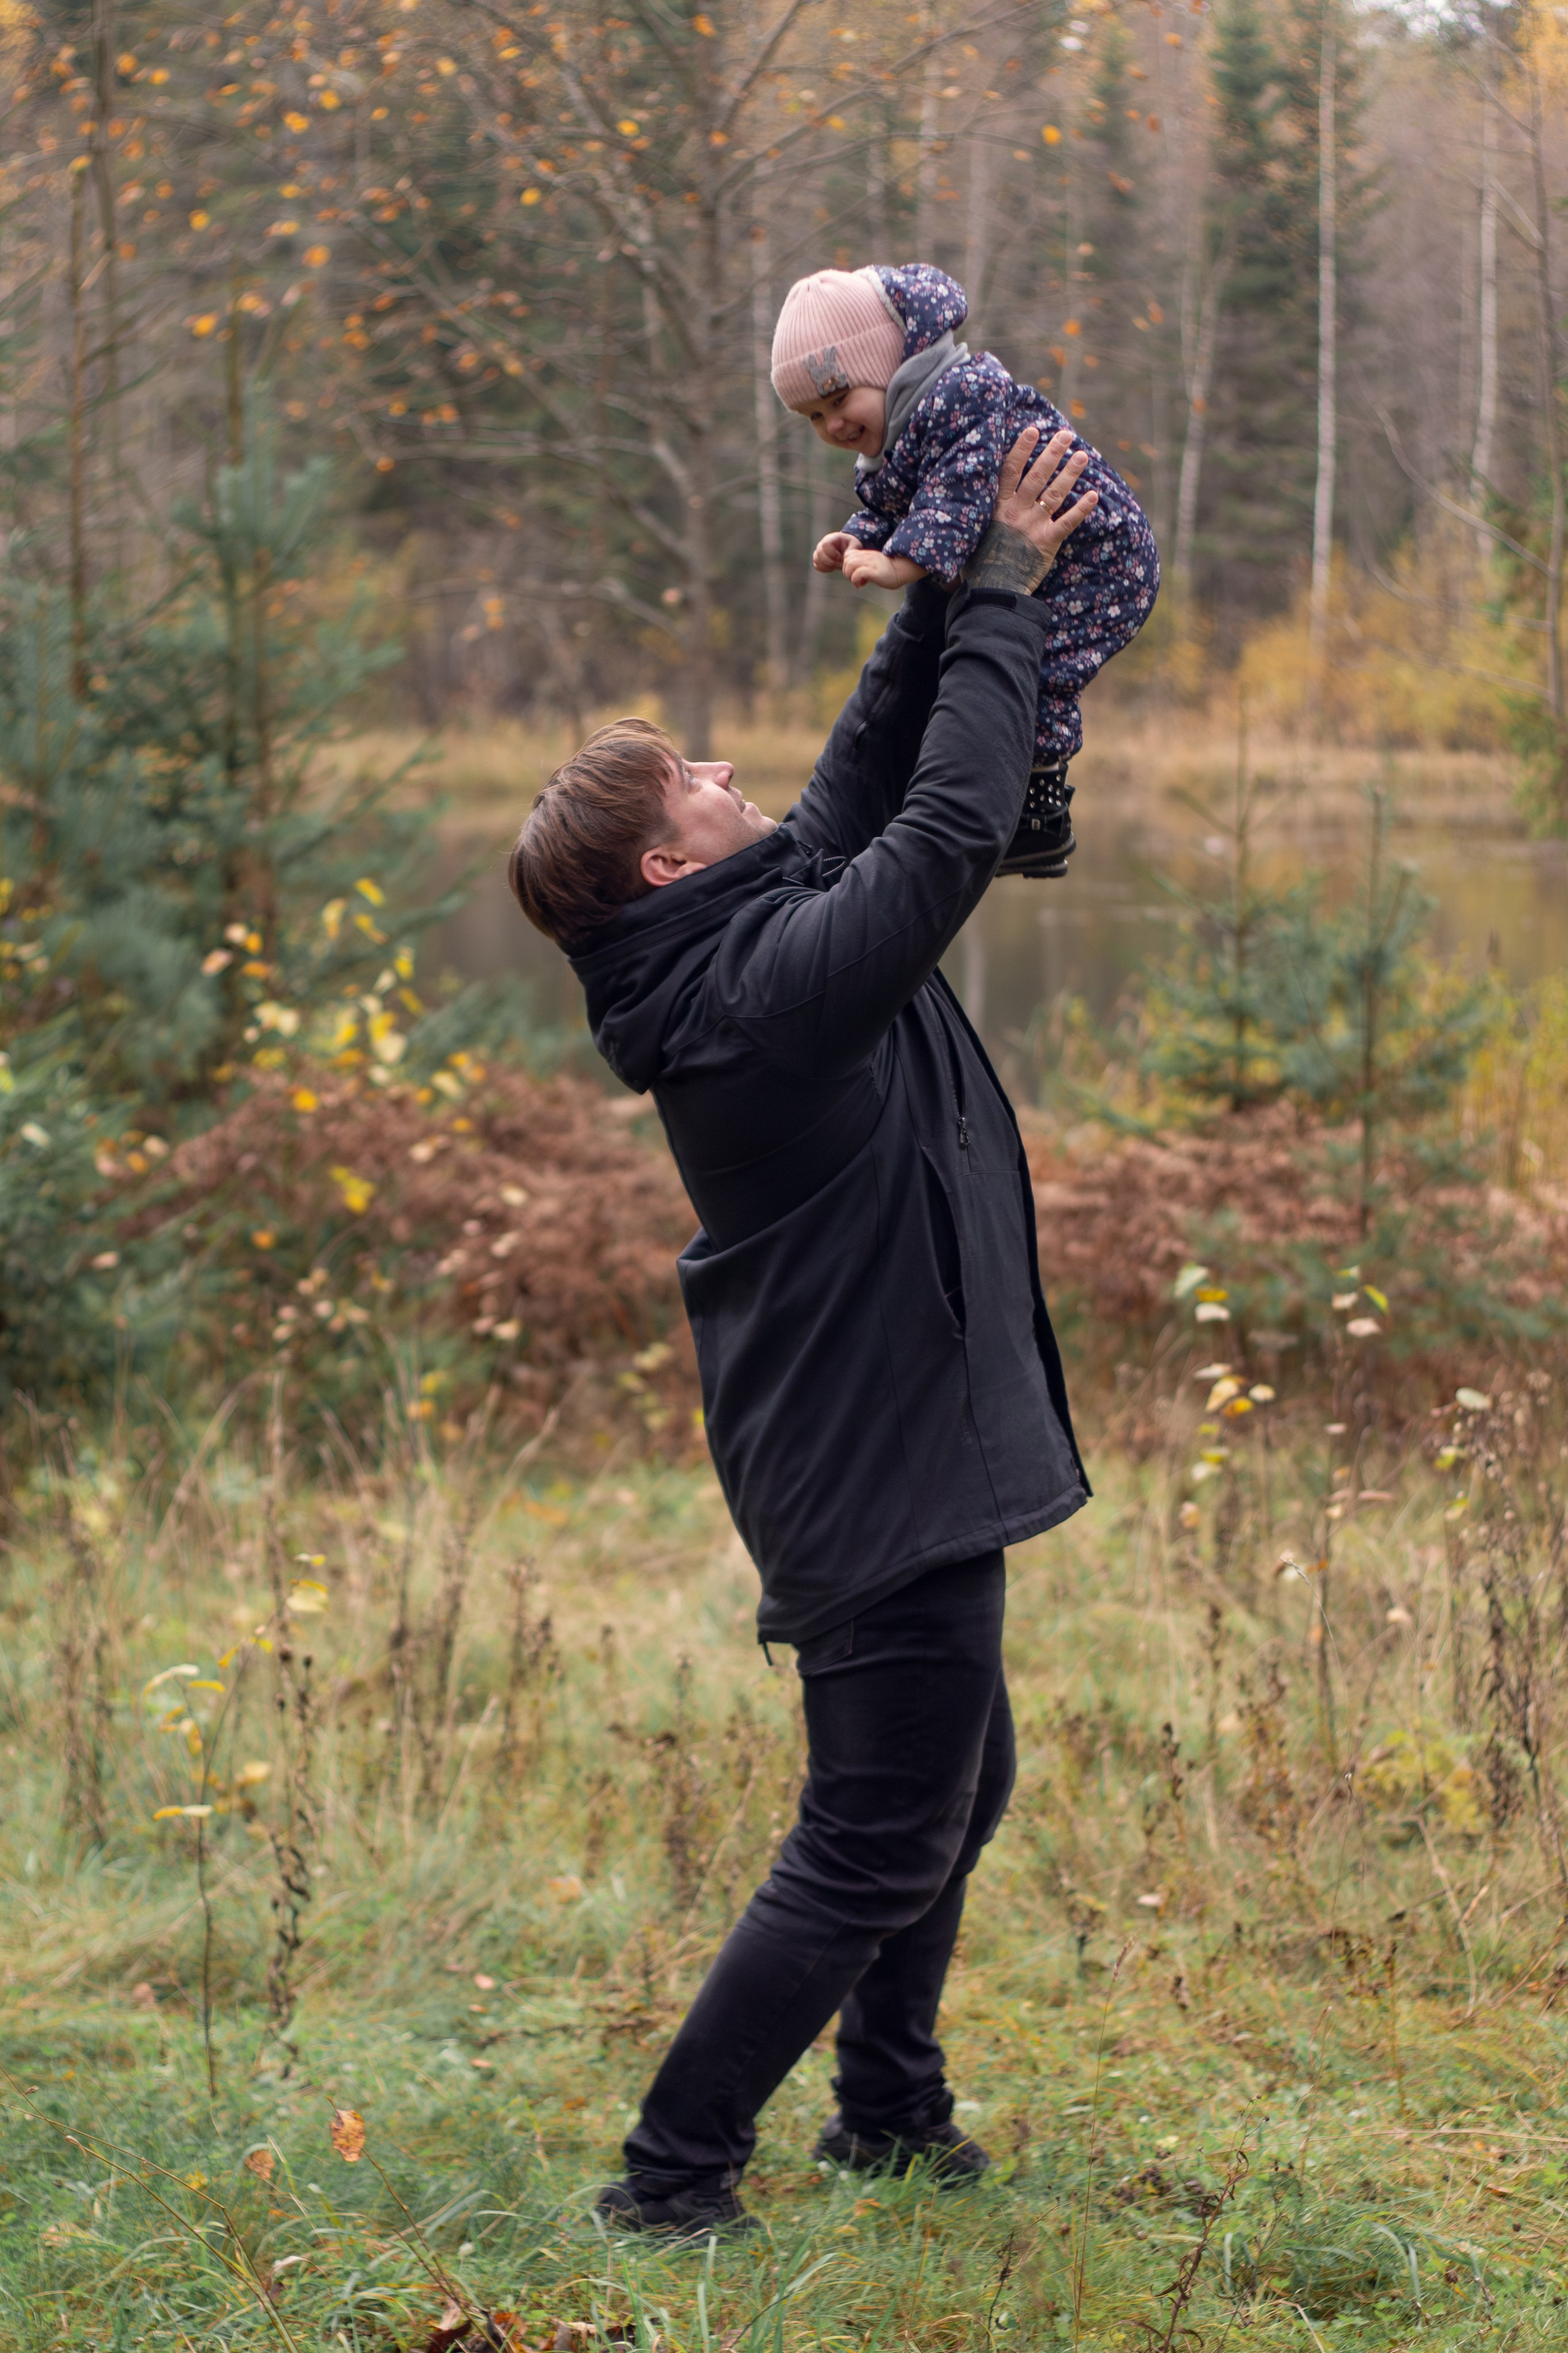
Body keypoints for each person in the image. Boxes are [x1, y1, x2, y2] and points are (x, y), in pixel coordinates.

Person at [508, 429, 1095, 2241]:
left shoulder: (730, 937)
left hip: (883, 1436)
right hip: (876, 1465)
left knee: (947, 1784)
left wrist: (928, 603)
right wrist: (998, 596)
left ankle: (887, 2111)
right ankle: (672, 2173)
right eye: (691, 780)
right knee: (871, 1829)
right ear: (666, 872)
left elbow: (855, 780)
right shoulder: (756, 999)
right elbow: (939, 828)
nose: (721, 768)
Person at [771, 262, 1159, 880]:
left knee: (1036, 675)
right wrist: (854, 538)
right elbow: (902, 503)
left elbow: (957, 494)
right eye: (814, 417)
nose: (833, 426)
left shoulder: (961, 395)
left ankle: (1039, 819)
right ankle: (1016, 815)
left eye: (839, 399)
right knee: (992, 667)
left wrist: (901, 562)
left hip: (1100, 559)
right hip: (1047, 562)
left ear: (889, 367)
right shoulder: (900, 432)